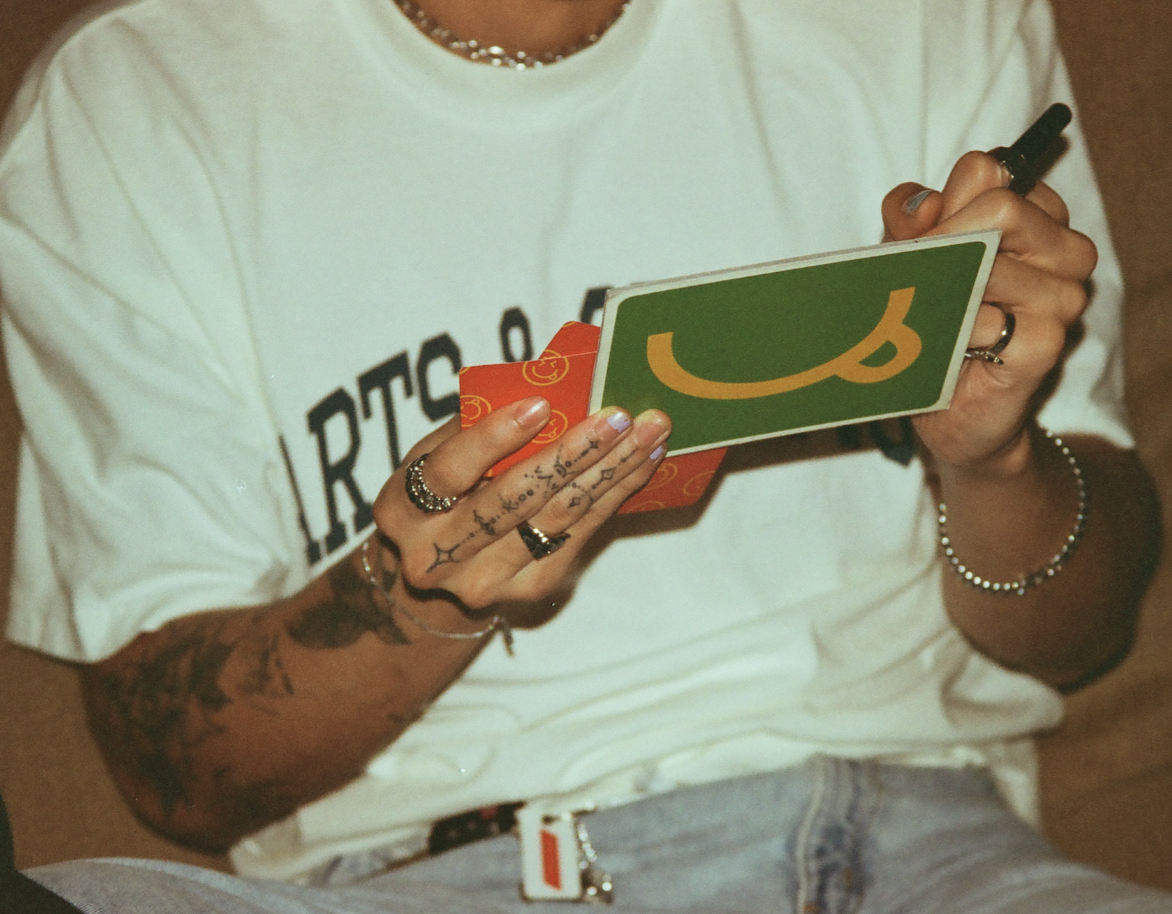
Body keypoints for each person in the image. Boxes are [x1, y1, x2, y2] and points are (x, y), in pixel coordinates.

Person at [0, 0, 1168, 910]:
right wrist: (414, 600)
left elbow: (1085, 628)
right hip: (427, 878)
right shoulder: (136, 97)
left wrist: (991, 457)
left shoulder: (914, 18)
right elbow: (176, 772)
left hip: (918, 850)